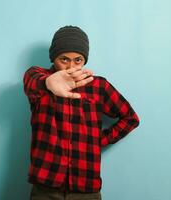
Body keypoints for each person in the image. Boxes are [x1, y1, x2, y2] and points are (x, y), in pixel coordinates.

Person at [23, 25, 140, 200]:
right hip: (45, 186)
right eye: (64, 59)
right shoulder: (39, 80)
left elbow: (131, 118)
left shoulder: (98, 86)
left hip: (86, 187)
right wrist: (48, 82)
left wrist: (98, 140)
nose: (71, 66)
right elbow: (31, 80)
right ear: (53, 58)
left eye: (78, 60)